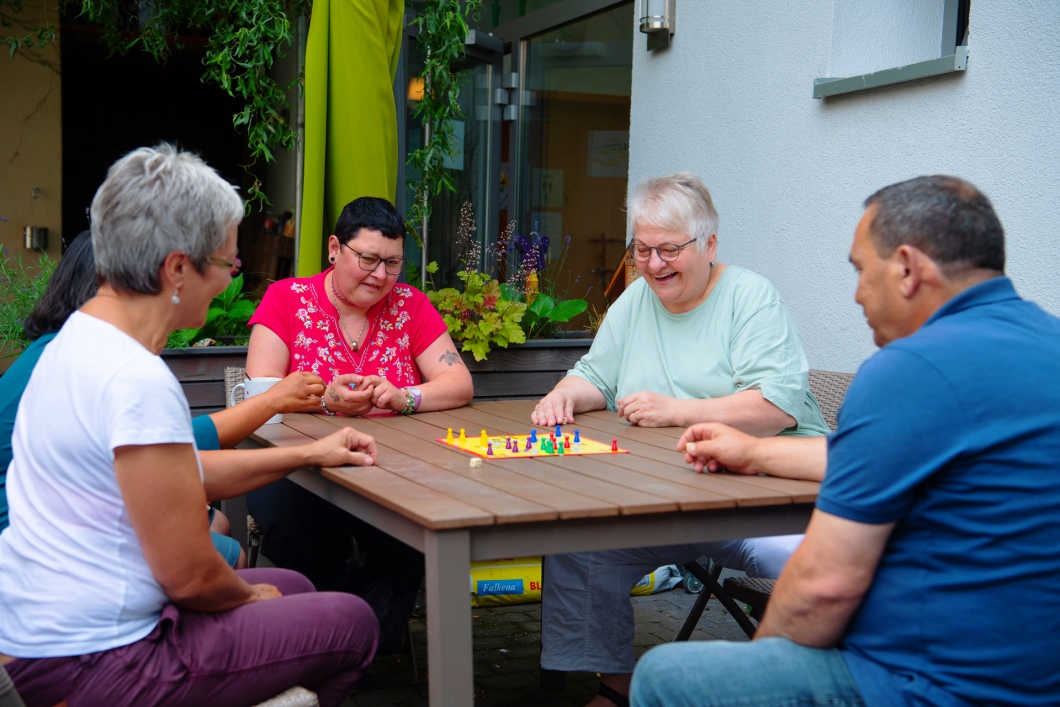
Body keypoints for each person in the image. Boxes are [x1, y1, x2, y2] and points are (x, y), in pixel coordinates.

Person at [631, 176, 1060, 707]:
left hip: (928, 683)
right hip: (1040, 675)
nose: (856, 293)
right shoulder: (1047, 344)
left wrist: (762, 666)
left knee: (665, 676)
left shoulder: (909, 371)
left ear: (907, 267)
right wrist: (756, 451)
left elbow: (823, 588)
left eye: (861, 270)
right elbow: (883, 457)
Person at [0, 144, 380, 707]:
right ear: (177, 267)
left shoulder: (70, 343)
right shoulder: (133, 375)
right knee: (353, 621)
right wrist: (245, 602)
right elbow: (191, 576)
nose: (230, 279)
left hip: (42, 630)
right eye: (227, 263)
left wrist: (308, 453)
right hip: (101, 657)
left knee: (297, 586)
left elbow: (177, 472)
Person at [531, 172, 830, 707]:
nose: (653, 264)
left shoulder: (750, 297)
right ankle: (615, 688)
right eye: (642, 249)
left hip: (764, 502)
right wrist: (564, 395)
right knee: (578, 541)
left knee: (821, 561)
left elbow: (777, 407)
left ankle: (791, 687)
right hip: (667, 496)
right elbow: (595, 375)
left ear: (710, 244)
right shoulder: (636, 300)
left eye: (669, 249)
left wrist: (677, 410)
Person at [0, 231, 329, 571]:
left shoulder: (61, 345)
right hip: (36, 539)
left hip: (61, 508)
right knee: (232, 553)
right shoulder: (100, 359)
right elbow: (183, 455)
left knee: (216, 522)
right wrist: (280, 413)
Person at [245, 195, 473, 650]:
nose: (380, 275)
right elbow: (261, 393)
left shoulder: (409, 305)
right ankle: (338, 630)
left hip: (392, 469)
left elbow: (458, 382)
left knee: (420, 526)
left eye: (392, 264)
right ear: (334, 248)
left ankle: (360, 639)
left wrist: (404, 396)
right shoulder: (287, 299)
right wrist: (325, 401)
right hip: (296, 466)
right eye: (368, 259)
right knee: (299, 530)